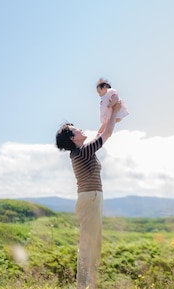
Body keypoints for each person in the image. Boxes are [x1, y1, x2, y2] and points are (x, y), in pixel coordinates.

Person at [55, 95, 121, 289]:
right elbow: (105, 135)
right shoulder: (82, 152)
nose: (81, 129)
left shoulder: (81, 151)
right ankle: (83, 286)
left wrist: (111, 116)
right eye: (76, 130)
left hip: (92, 198)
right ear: (72, 138)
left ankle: (88, 285)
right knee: (88, 246)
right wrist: (115, 111)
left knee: (93, 245)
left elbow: (102, 132)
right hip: (91, 198)